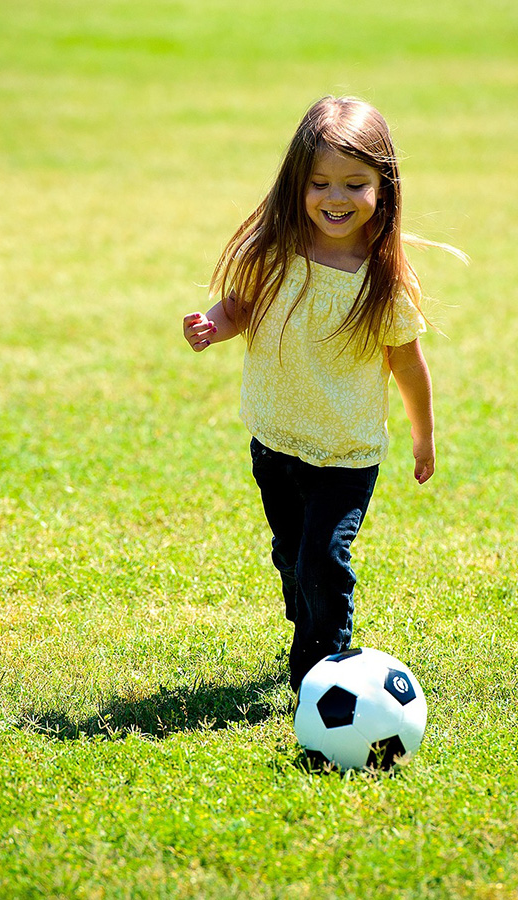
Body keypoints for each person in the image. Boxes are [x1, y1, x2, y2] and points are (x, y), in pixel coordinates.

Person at [181, 96, 460, 691]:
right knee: (291, 556)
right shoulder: (275, 254)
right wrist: (212, 325)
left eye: (355, 184)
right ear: (297, 184)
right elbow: (239, 308)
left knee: (321, 562)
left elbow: (409, 366)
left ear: (383, 188)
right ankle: (308, 623)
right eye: (321, 183)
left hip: (344, 453)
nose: (336, 199)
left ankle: (322, 672)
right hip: (275, 440)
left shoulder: (381, 283)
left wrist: (423, 438)